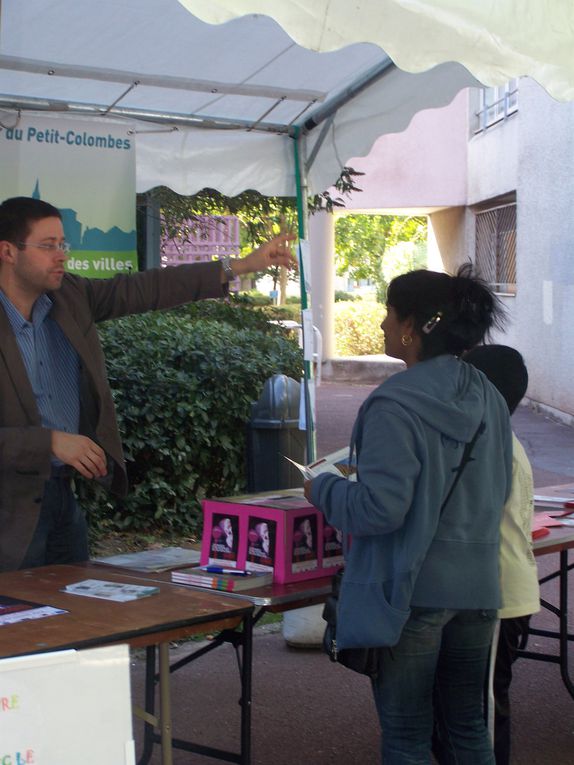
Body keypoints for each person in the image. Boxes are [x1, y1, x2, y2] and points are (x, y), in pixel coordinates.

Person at [0, 196, 295, 572]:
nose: (61, 256)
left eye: (63, 245)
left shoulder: (71, 297)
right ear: (8, 252)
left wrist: (241, 265)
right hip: (8, 511)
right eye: (47, 246)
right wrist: (51, 441)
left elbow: (147, 288)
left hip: (63, 497)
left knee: (77, 620)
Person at [304, 265, 513, 764]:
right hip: (480, 586)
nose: (380, 325)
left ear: (414, 326)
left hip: (409, 593)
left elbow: (380, 509)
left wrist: (323, 489)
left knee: (407, 736)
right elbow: (500, 489)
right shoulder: (487, 393)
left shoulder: (393, 404)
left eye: (388, 314)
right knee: (467, 728)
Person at [463, 345, 540, 765]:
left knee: (485, 709)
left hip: (498, 598)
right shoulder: (494, 439)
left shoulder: (492, 446)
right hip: (491, 593)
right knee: (473, 704)